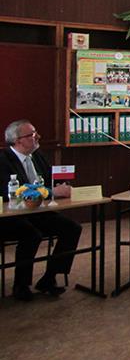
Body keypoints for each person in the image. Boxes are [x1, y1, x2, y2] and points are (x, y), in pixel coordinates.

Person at [0, 120, 82, 301]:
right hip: (11, 215)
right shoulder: (3, 160)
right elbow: (12, 193)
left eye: (35, 132)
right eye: (31, 135)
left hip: (37, 212)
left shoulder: (37, 155)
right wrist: (52, 192)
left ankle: (50, 277)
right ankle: (21, 285)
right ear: (17, 140)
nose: (37, 137)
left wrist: (61, 185)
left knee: (72, 228)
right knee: (31, 234)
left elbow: (50, 179)